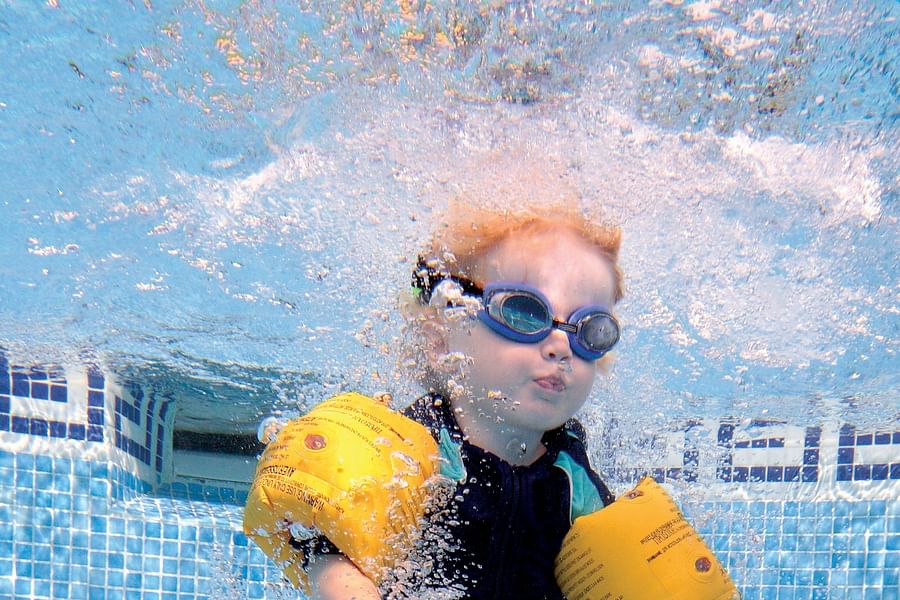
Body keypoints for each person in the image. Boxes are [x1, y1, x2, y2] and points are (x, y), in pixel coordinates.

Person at [304, 170, 625, 598]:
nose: (560, 347)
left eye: (590, 330)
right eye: (525, 312)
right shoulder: (412, 449)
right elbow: (327, 552)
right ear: (441, 337)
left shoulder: (574, 478)